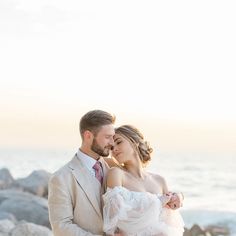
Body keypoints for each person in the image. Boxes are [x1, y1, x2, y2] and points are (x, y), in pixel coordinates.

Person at [103, 125, 185, 236]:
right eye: (111, 148)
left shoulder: (159, 180)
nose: (114, 150)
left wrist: (178, 197)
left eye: (118, 142)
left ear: (134, 141)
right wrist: (158, 201)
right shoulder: (116, 174)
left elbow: (169, 223)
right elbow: (115, 217)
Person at [48, 110, 116, 236]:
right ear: (88, 136)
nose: (112, 143)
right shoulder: (61, 178)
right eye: (107, 137)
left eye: (113, 137)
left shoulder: (114, 169)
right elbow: (61, 227)